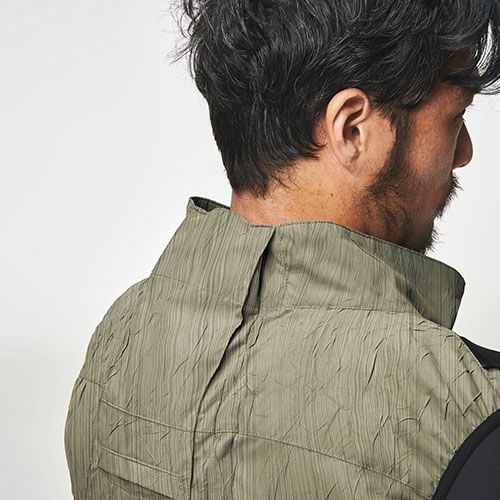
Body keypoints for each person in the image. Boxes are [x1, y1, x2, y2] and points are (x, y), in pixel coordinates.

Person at [65, 1, 500, 498]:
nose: (464, 151)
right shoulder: (462, 413)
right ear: (353, 130)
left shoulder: (118, 338)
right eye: (455, 116)